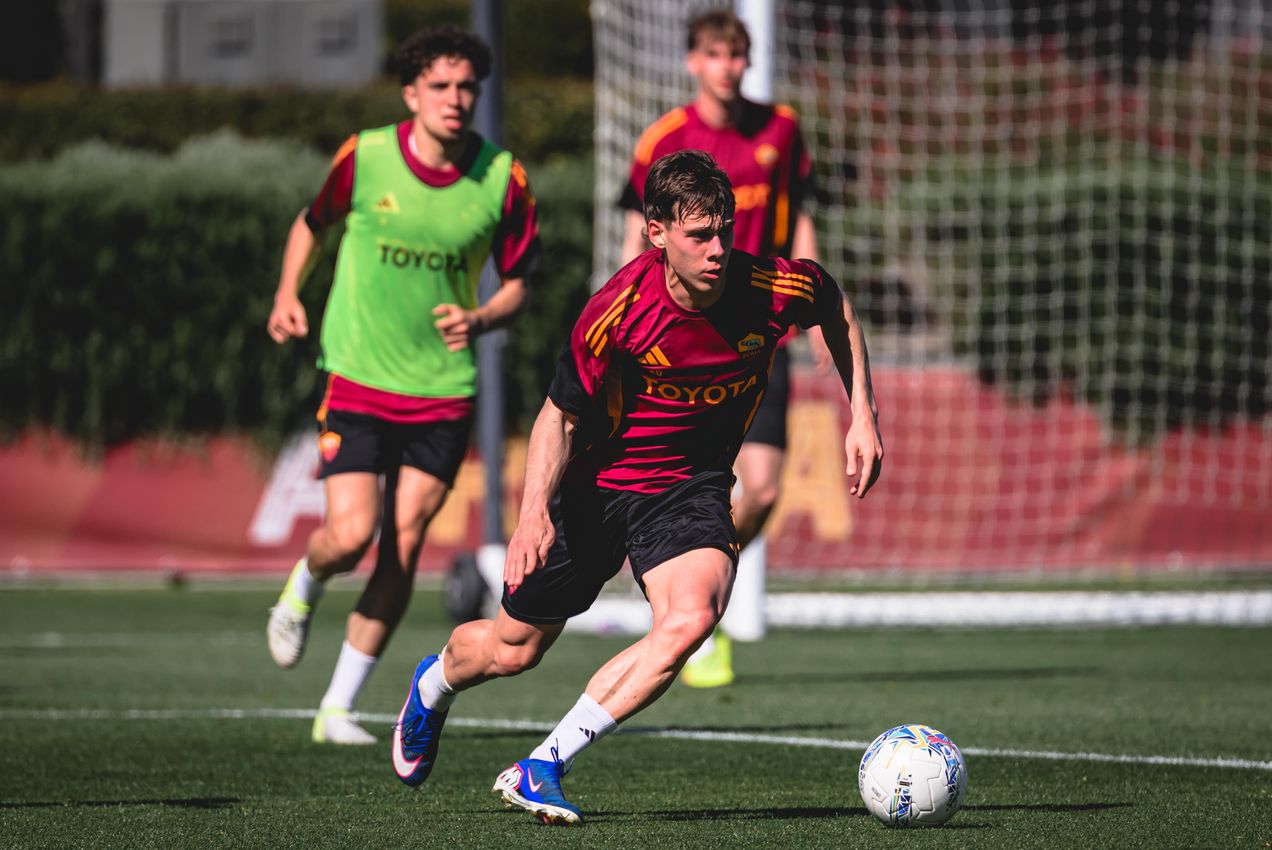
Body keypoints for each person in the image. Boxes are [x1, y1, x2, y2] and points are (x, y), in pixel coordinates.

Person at [391, 150, 882, 825]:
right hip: (598, 488)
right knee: (513, 650)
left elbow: (836, 306)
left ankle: (542, 765)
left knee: (690, 619)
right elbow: (558, 416)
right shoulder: (616, 310)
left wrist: (864, 418)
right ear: (657, 232)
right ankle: (433, 683)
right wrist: (532, 512)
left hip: (690, 490)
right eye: (699, 235)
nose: (718, 249)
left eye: (726, 231)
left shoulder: (771, 287)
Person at [264, 25, 540, 746]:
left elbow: (520, 284)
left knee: (404, 544)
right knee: (350, 534)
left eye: (467, 87)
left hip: (442, 389)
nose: (456, 99)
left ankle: (336, 709)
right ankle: (306, 582)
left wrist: (480, 317)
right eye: (441, 86)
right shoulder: (366, 157)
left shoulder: (502, 177)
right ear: (412, 93)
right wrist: (288, 291)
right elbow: (310, 222)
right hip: (357, 375)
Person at [619, 9, 828, 688]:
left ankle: (692, 597)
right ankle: (681, 597)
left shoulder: (783, 131)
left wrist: (819, 312)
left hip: (758, 336)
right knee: (679, 478)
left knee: (763, 487)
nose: (729, 67)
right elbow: (636, 237)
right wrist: (624, 324)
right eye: (716, 54)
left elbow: (802, 221)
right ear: (693, 62)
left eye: (738, 55)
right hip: (676, 342)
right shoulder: (665, 139)